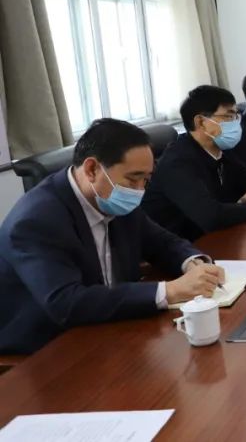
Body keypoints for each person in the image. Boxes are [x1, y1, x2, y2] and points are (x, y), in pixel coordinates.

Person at [0, 119, 225, 354]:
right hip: (48, 347)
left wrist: (193, 263)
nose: (139, 190)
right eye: (133, 179)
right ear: (91, 169)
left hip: (111, 325)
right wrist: (170, 291)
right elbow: (66, 303)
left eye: (146, 180)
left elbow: (162, 242)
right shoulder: (35, 221)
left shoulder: (113, 198)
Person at [143, 85, 246, 241]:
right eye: (228, 117)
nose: (236, 123)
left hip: (218, 237)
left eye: (236, 116)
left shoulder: (222, 149)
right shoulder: (176, 163)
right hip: (181, 246)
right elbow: (210, 216)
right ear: (201, 122)